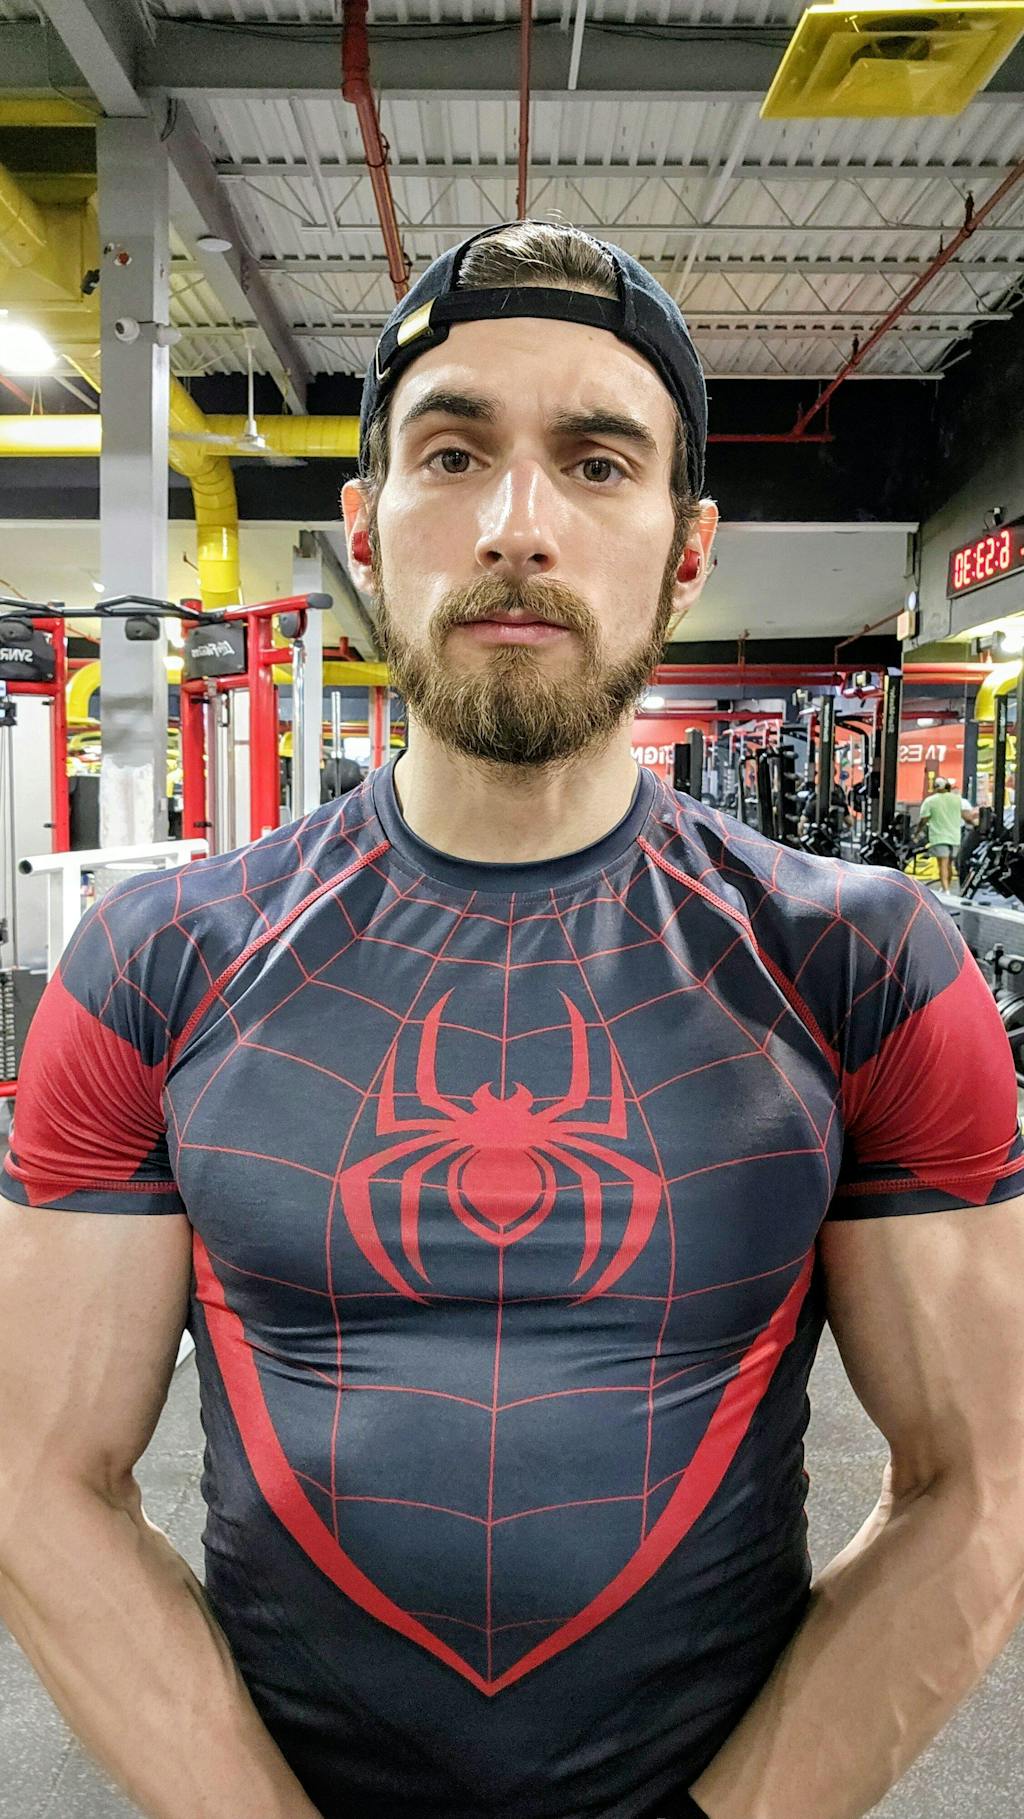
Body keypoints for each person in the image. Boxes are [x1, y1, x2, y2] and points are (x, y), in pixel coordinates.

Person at [1, 221, 1023, 1819]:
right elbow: (36, 1481)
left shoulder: (865, 963)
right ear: (365, 527)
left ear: (689, 547)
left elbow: (985, 1486)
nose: (519, 525)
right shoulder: (155, 961)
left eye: (598, 463)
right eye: (453, 452)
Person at [917, 774, 979, 893]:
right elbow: (966, 817)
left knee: (942, 863)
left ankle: (946, 889)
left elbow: (924, 819)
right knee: (950, 863)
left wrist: (917, 833)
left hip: (939, 836)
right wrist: (976, 824)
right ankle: (947, 887)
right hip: (954, 836)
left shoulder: (930, 801)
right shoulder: (957, 800)